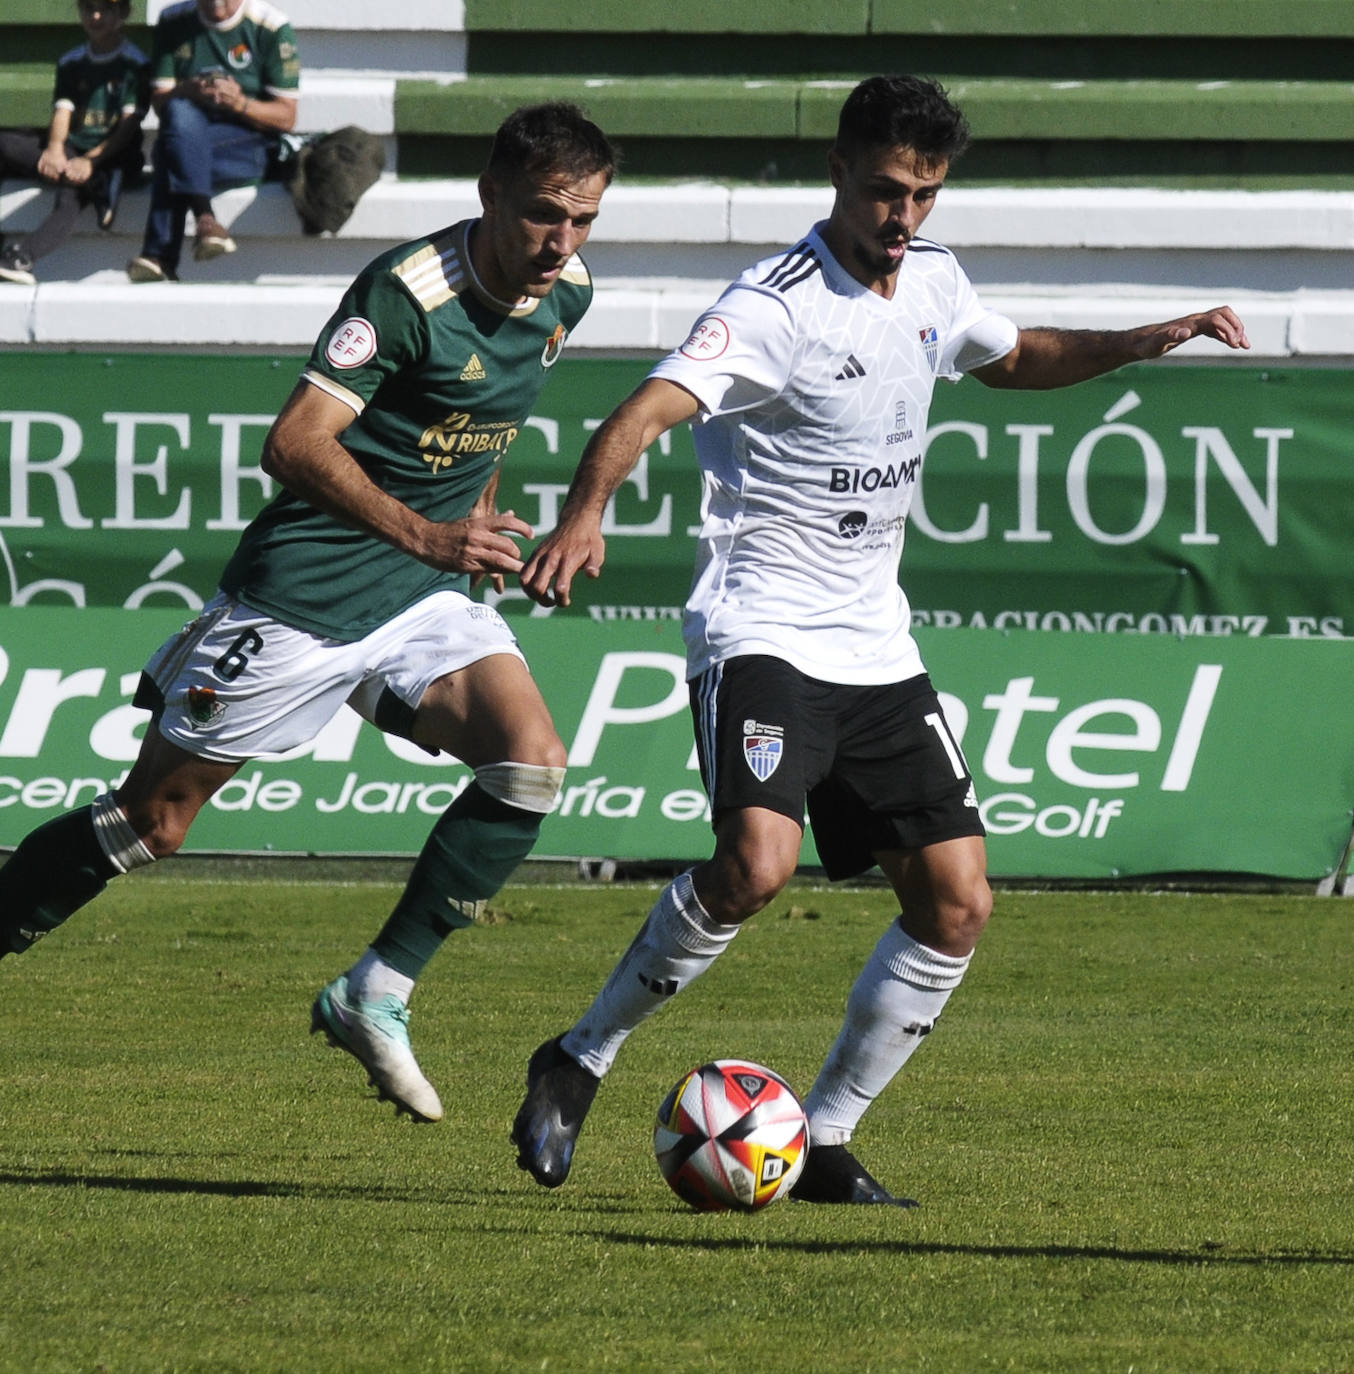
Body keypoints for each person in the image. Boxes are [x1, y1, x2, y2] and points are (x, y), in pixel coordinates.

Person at [509, 74, 1251, 1205]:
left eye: (925, 194)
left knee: (956, 902)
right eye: (886, 191)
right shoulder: (775, 303)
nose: (903, 217)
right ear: (840, 175)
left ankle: (827, 1137)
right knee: (756, 868)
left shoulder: (936, 283)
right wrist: (584, 512)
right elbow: (647, 408)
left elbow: (1018, 357)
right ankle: (579, 1056)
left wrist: (1144, 340)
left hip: (875, 646)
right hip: (760, 628)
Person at [0, 101, 617, 1127]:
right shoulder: (407, 291)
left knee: (530, 759)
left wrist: (471, 516)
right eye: (545, 215)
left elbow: (487, 419)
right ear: (490, 195)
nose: (562, 244)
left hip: (419, 598)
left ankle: (376, 990)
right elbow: (291, 443)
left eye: (584, 219)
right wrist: (424, 534)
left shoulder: (568, 295)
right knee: (155, 822)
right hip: (306, 596)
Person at [126, 0, 300, 283]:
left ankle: (160, 255)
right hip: (189, 129)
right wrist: (189, 89)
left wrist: (239, 103)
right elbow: (160, 102)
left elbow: (287, 116)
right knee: (179, 114)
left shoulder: (270, 25)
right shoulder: (173, 20)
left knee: (169, 149)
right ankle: (205, 218)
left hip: (248, 141)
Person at [0, 0, 148, 286]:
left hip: (113, 154)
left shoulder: (135, 63)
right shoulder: (72, 60)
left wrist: (90, 161)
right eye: (88, 9)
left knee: (70, 194)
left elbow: (128, 126)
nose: (95, 16)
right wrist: (55, 150)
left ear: (121, 15)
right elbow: (63, 110)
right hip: (72, 149)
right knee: (6, 144)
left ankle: (24, 257)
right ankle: (99, 187)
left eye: (104, 10)